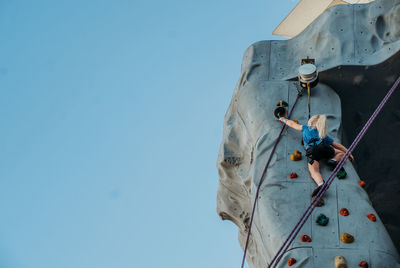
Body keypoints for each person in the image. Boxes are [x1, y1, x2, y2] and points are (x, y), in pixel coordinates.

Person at [279, 114, 354, 198]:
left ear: (310, 122)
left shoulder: (305, 128)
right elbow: (336, 145)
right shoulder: (322, 134)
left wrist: (283, 119)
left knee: (314, 171)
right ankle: (333, 160)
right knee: (340, 153)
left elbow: (292, 124)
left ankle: (321, 184)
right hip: (324, 147)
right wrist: (348, 152)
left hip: (312, 151)